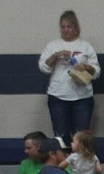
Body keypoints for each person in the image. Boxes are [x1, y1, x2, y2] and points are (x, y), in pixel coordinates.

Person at [39, 10, 99, 141]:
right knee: (60, 135)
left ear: (76, 28)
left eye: (69, 27)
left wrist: (86, 67)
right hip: (58, 96)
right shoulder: (53, 45)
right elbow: (44, 68)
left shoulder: (86, 46)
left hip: (82, 97)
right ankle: (63, 160)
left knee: (81, 137)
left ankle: (81, 160)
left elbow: (97, 72)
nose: (65, 30)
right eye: (63, 27)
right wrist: (55, 56)